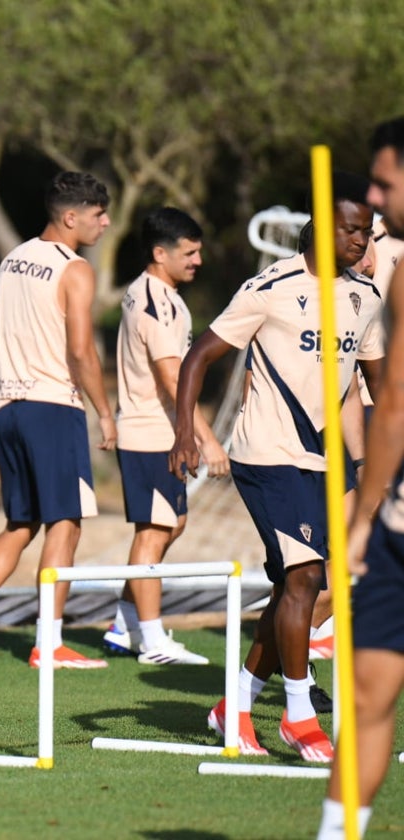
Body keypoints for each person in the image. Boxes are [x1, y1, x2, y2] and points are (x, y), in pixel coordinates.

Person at [171, 171, 383, 761]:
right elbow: (199, 356)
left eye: (366, 233)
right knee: (304, 578)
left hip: (325, 460)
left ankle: (233, 704)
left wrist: (369, 462)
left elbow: (369, 386)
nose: (360, 242)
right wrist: (186, 432)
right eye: (350, 230)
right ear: (318, 226)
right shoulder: (270, 286)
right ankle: (298, 716)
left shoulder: (366, 298)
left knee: (307, 585)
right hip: (265, 453)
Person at [0, 171, 117, 670]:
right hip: (53, 406)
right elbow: (81, 350)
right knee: (65, 525)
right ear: (70, 218)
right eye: (98, 215)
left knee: (20, 523)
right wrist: (105, 413)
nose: (107, 223)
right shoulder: (75, 269)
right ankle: (48, 643)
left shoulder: (13, 260)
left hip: (7, 406)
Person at [317, 116, 404, 840]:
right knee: (368, 690)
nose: (373, 198)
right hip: (398, 522)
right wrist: (368, 516)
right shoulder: (399, 282)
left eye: (384, 182)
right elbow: (392, 401)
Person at [101, 208, 229, 666]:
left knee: (171, 525)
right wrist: (206, 438)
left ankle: (123, 623)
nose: (198, 260)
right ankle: (152, 642)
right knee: (155, 531)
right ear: (160, 254)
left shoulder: (162, 294)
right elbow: (173, 377)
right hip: (146, 432)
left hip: (157, 431)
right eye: (189, 252)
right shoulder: (154, 300)